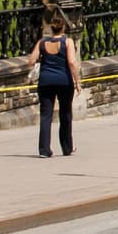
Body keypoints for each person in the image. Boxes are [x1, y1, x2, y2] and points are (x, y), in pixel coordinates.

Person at [25, 14, 80, 158]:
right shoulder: (67, 42)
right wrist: (77, 82)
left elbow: (31, 61)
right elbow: (72, 62)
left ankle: (44, 149)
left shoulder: (42, 42)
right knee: (65, 113)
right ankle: (67, 147)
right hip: (64, 81)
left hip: (45, 81)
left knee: (46, 115)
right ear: (63, 27)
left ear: (51, 28)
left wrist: (41, 58)